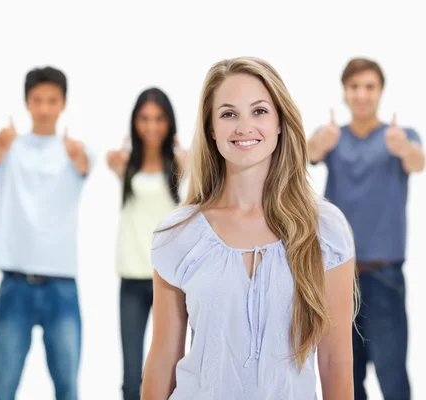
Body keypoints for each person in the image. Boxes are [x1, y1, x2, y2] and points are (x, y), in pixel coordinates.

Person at [140, 57, 357, 400]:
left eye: (259, 111)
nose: (244, 127)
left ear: (280, 122)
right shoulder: (179, 235)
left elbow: (335, 362)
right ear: (212, 129)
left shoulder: (325, 231)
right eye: (228, 114)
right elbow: (164, 357)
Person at [308, 57, 424, 400]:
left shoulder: (399, 137)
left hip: (384, 274)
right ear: (345, 92)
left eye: (369, 87)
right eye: (355, 87)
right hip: (338, 276)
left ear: (380, 92)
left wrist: (404, 148)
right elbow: (308, 153)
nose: (362, 94)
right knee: (345, 377)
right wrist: (321, 143)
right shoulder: (331, 137)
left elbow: (418, 161)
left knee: (393, 376)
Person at [0, 66, 94, 400]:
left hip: (61, 284)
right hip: (15, 282)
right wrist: (0, 146)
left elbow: (85, 165)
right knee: (3, 385)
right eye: (37, 100)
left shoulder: (76, 151)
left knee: (67, 387)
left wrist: (79, 156)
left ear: (63, 103)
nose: (45, 108)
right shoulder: (7, 146)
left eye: (52, 100)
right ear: (26, 103)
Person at [106, 88, 186, 400]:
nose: (151, 126)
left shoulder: (182, 164)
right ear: (134, 122)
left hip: (171, 280)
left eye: (158, 119)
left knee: (174, 369)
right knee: (130, 375)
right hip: (132, 278)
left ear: (169, 122)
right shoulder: (123, 164)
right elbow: (108, 159)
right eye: (144, 118)